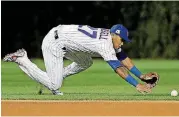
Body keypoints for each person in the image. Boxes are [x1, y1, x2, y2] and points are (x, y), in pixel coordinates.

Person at [3, 24, 155, 95]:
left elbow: (122, 57)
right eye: (122, 39)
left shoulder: (109, 36)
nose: (122, 43)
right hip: (54, 43)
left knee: (86, 62)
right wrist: (137, 85)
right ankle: (22, 59)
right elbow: (118, 68)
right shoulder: (105, 44)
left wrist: (141, 76)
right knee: (54, 85)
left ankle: (54, 76)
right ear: (115, 34)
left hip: (65, 41)